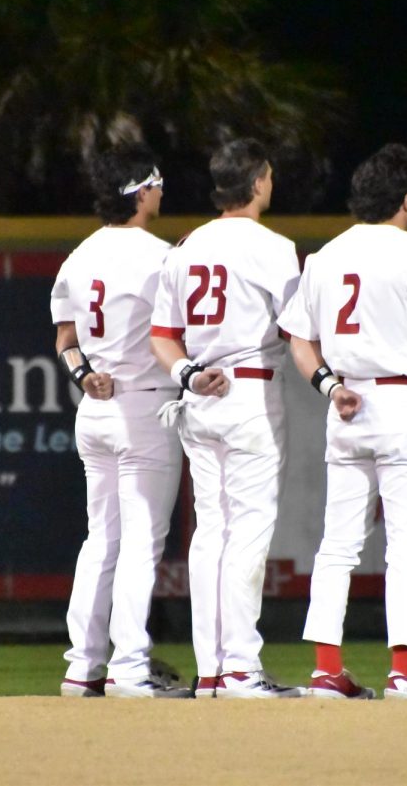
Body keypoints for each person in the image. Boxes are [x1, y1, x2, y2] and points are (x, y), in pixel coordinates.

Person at [277, 143, 407, 700]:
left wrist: (329, 386)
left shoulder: (326, 256)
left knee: (337, 544)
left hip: (347, 404)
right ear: (404, 198)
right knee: (406, 546)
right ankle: (405, 673)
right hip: (403, 402)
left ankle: (326, 671)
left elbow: (299, 339)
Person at [149, 138, 302, 698]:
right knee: (247, 535)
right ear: (258, 180)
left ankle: (213, 669)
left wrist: (187, 373)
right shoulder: (273, 246)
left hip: (199, 397)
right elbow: (296, 329)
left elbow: (162, 335)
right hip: (250, 398)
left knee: (210, 533)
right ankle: (241, 668)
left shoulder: (186, 245)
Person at [50, 145, 189, 698]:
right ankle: (130, 667)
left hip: (96, 408)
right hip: (142, 406)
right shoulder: (160, 255)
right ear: (140, 190)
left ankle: (82, 666)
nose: (161, 191)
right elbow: (178, 335)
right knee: (139, 544)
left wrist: (84, 375)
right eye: (155, 183)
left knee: (100, 539)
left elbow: (65, 343)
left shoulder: (79, 255)